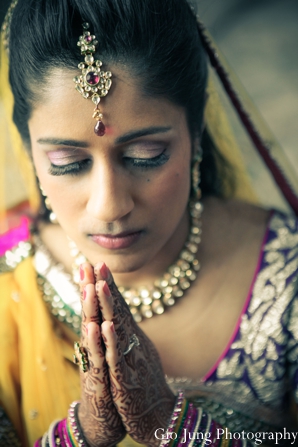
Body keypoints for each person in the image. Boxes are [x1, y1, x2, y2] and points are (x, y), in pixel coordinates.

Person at [0, 0, 297, 446]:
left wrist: (174, 426)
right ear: (31, 152)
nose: (109, 206)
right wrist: (83, 434)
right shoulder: (8, 279)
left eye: (146, 156)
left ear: (196, 134)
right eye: (67, 162)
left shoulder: (286, 277)